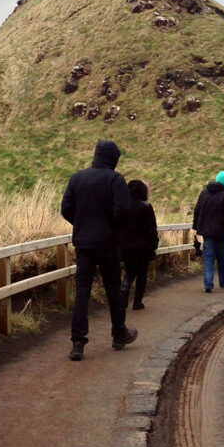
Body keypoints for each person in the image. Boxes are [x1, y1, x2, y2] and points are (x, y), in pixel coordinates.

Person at [61, 140, 138, 361]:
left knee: (82, 291)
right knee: (113, 289)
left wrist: (81, 224)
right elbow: (123, 210)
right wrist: (113, 226)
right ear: (113, 159)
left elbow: (65, 208)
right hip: (108, 243)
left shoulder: (77, 178)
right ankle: (118, 334)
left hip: (84, 243)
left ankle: (78, 343)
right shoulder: (115, 180)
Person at [120, 179, 160, 311]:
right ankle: (137, 302)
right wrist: (155, 243)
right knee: (142, 273)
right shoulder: (146, 207)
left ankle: (124, 291)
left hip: (125, 246)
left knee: (129, 271)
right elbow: (152, 229)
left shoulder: (123, 206)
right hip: (143, 247)